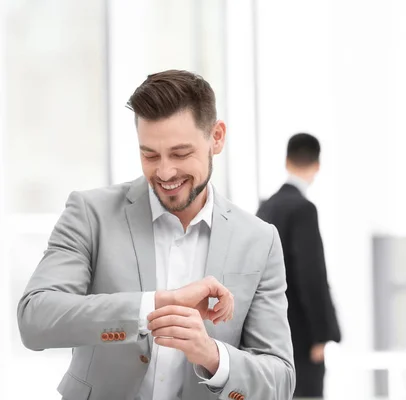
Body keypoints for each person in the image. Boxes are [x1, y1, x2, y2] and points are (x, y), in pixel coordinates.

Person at [17, 70, 295, 400]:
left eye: (180, 153)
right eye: (150, 154)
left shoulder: (259, 240)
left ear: (216, 137)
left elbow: (280, 381)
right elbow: (35, 319)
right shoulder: (91, 213)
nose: (164, 172)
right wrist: (153, 307)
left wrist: (212, 355)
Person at [257, 133, 341, 398]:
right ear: (317, 165)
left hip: (268, 331)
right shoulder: (303, 209)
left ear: (286, 161)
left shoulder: (265, 208)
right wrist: (320, 334)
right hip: (300, 335)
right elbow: (310, 274)